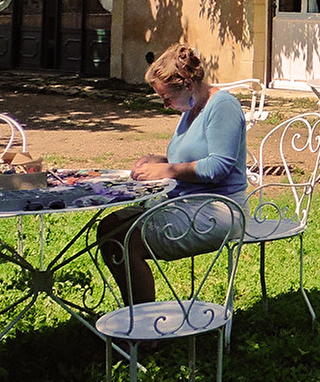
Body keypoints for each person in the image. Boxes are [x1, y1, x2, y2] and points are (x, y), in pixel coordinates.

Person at [97, 42, 248, 305]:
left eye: (166, 98)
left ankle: (143, 322)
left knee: (125, 239)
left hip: (219, 209)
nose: (165, 105)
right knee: (109, 228)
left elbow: (218, 167)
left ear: (188, 85)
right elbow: (192, 158)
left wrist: (166, 169)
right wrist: (159, 160)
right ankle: (135, 314)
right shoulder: (191, 108)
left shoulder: (223, 106)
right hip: (187, 203)